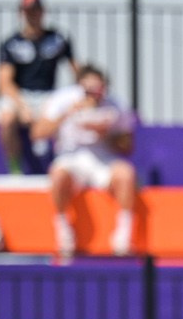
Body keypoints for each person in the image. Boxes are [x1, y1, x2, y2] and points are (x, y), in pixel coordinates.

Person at [37, 67, 138, 257]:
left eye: (97, 89)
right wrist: (67, 114)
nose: (93, 94)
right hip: (70, 159)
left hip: (103, 160)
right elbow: (38, 133)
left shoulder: (116, 106)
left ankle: (124, 236)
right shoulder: (63, 100)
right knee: (57, 175)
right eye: (88, 89)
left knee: (126, 174)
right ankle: (63, 230)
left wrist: (107, 134)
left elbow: (128, 146)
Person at [0, 0, 79, 173]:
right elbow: (4, 82)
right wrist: (23, 106)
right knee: (6, 118)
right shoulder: (11, 43)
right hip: (21, 95)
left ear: (43, 11)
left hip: (49, 94)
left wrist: (75, 99)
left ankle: (64, 166)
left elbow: (77, 72)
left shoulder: (58, 38)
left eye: (36, 9)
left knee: (68, 116)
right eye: (28, 10)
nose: (33, 14)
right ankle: (15, 168)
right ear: (21, 13)